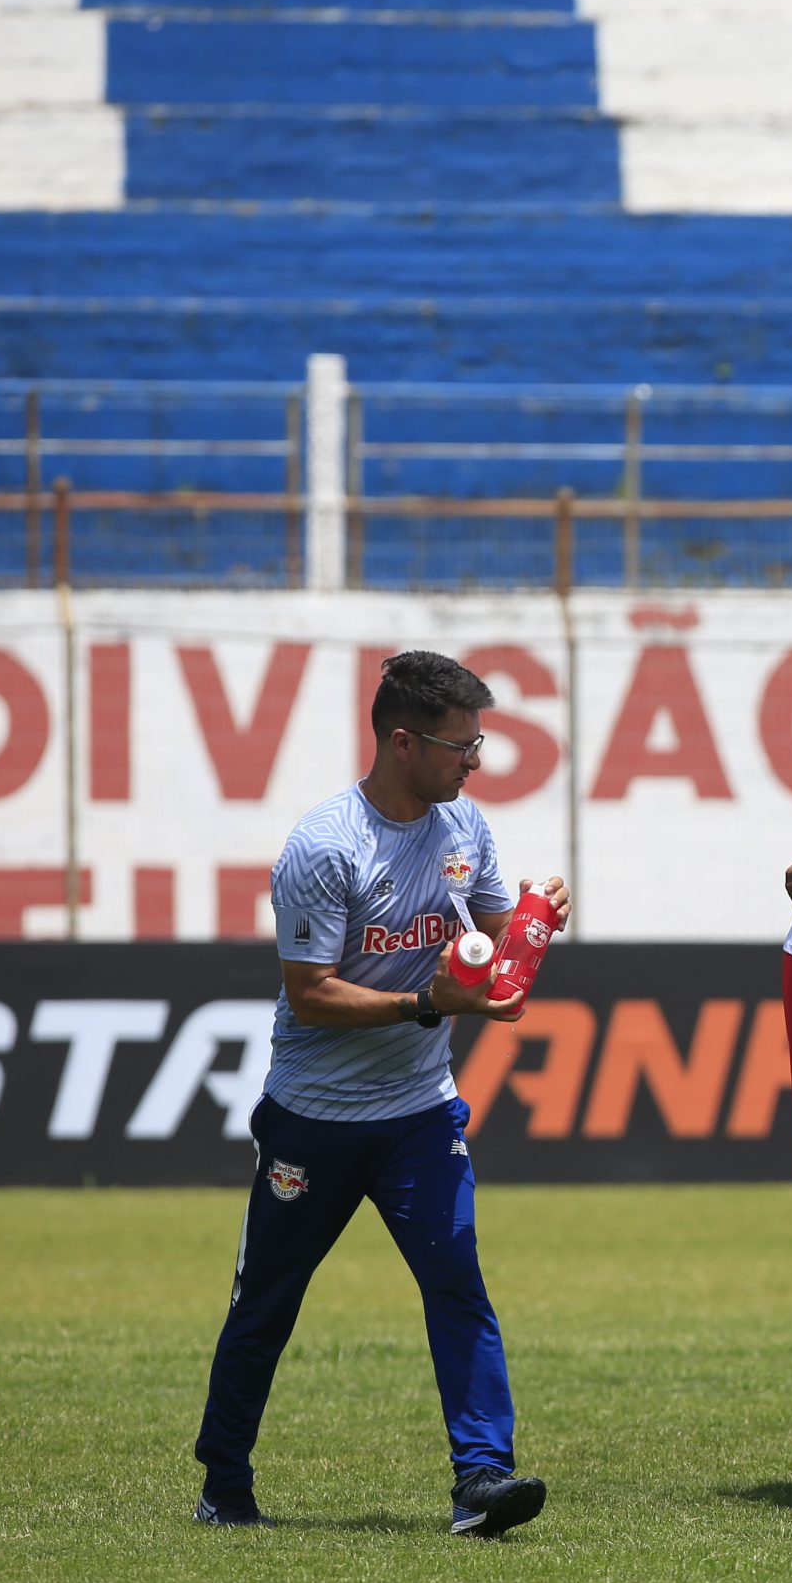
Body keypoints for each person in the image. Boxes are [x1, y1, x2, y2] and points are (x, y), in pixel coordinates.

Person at [193, 650, 570, 1536]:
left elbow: (496, 947)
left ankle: (481, 1483)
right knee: (267, 1303)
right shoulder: (326, 847)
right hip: (313, 1121)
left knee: (458, 1286)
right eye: (461, 745)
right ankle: (225, 1482)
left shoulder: (464, 828)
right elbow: (311, 992)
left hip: (419, 1112)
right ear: (404, 742)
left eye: (479, 742)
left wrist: (536, 922)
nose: (475, 760)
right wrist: (425, 1001)